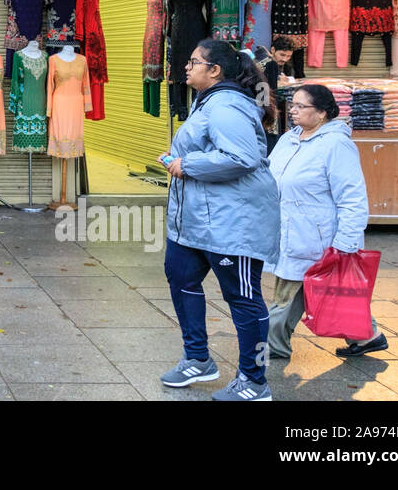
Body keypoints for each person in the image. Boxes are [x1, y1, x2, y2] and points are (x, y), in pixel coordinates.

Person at [160, 39, 281, 401]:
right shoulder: (208, 102)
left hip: (233, 223)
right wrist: (179, 156)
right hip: (196, 221)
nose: (186, 65)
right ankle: (197, 358)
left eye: (194, 61)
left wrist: (187, 164)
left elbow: (242, 157)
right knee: (181, 277)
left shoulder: (227, 106)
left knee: (243, 297)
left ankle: (255, 380)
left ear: (215, 71)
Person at [267, 84, 386, 359]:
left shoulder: (336, 144)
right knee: (327, 293)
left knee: (290, 292)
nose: (293, 111)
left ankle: (272, 346)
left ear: (321, 113)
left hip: (320, 237)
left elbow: (353, 197)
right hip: (290, 231)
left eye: (300, 106)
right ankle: (367, 336)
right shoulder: (288, 140)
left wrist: (345, 243)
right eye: (292, 105)